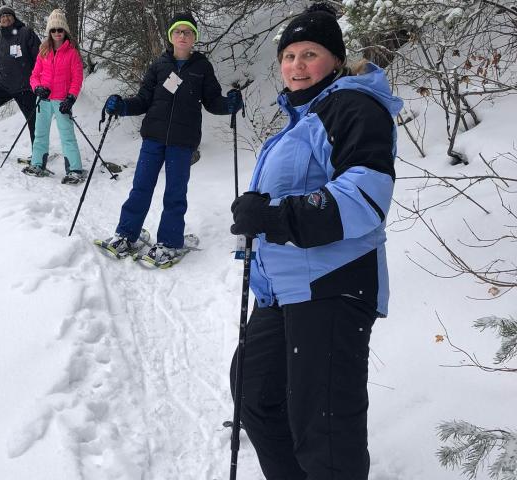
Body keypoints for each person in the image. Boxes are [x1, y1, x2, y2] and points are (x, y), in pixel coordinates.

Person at [228, 3, 403, 480]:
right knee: (256, 393)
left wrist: (274, 216)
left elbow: (365, 198)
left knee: (325, 434)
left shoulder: (354, 107)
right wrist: (258, 217)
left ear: (335, 60)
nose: (296, 66)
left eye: (310, 54)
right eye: (288, 55)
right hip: (285, 291)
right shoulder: (302, 120)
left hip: (332, 285)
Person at [100, 12, 243, 265]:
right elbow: (143, 99)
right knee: (141, 187)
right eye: (178, 31)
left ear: (194, 37)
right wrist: (121, 107)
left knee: (175, 193)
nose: (182, 36)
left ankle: (169, 241)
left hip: (182, 141)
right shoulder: (159, 66)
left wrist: (229, 105)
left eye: (188, 32)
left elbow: (212, 101)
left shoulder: (202, 67)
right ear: (171, 37)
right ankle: (126, 234)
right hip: (153, 138)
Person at [24, 9, 85, 185]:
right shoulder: (43, 51)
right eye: (53, 30)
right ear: (49, 32)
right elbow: (34, 76)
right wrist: (37, 89)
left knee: (67, 135)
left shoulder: (72, 52)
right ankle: (37, 164)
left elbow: (77, 78)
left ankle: (74, 169)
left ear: (65, 31)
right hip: (43, 100)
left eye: (60, 30)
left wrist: (71, 98)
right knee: (40, 133)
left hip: (62, 101)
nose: (57, 33)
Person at [0, 7, 40, 145]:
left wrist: (39, 81)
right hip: (4, 85)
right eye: (2, 17)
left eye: (8, 15)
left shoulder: (26, 33)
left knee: (34, 120)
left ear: (14, 17)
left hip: (25, 85)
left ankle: (38, 153)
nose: (5, 18)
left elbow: (40, 59)